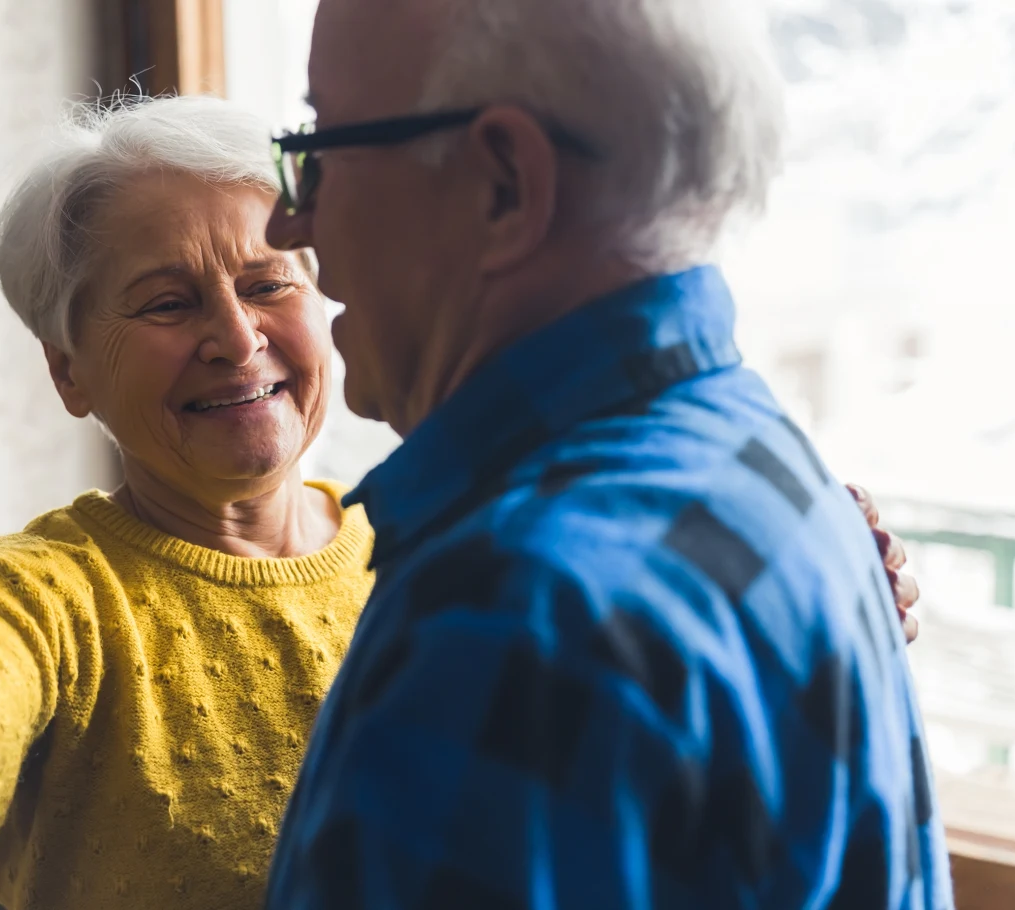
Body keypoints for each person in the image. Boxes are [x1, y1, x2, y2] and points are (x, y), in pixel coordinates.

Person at [0, 96, 915, 910]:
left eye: (270, 281)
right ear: (68, 369)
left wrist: (806, 583)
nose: (237, 339)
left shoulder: (449, 543)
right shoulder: (42, 599)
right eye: (167, 303)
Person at [261, 0, 950, 908]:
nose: (288, 223)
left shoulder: (514, 617)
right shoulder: (772, 464)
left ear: (504, 184)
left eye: (322, 152)